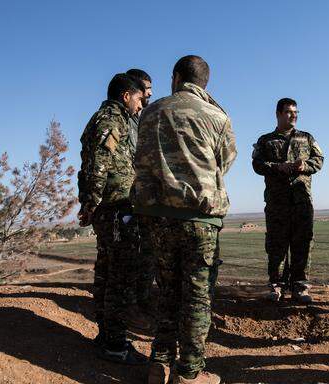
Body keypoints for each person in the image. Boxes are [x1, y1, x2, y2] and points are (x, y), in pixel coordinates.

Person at [131, 55, 237, 384]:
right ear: (205, 83)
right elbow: (225, 161)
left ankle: (159, 364)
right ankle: (190, 373)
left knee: (166, 289)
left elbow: (141, 158)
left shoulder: (151, 111)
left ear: (176, 77)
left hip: (157, 215)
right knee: (197, 294)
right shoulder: (218, 116)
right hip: (200, 219)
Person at [77, 73, 148, 364]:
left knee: (107, 272)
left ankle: (107, 336)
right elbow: (98, 165)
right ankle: (116, 345)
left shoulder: (106, 118)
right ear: (125, 96)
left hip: (113, 206)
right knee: (120, 276)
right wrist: (90, 203)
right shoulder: (110, 120)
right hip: (117, 206)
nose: (141, 103)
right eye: (139, 97)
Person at [252, 98, 324, 303]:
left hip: (302, 201)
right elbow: (257, 164)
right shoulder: (266, 140)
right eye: (288, 112)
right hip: (277, 203)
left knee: (303, 243)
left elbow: (319, 161)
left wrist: (305, 166)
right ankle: (276, 286)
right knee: (276, 244)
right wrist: (276, 167)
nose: (293, 115)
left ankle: (300, 287)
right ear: (278, 114)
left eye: (295, 112)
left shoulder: (306, 138)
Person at [125, 68, 156, 314]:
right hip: (125, 195)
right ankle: (129, 301)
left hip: (145, 193)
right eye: (146, 88)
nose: (150, 93)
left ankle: (142, 297)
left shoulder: (149, 116)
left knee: (148, 249)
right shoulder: (123, 118)